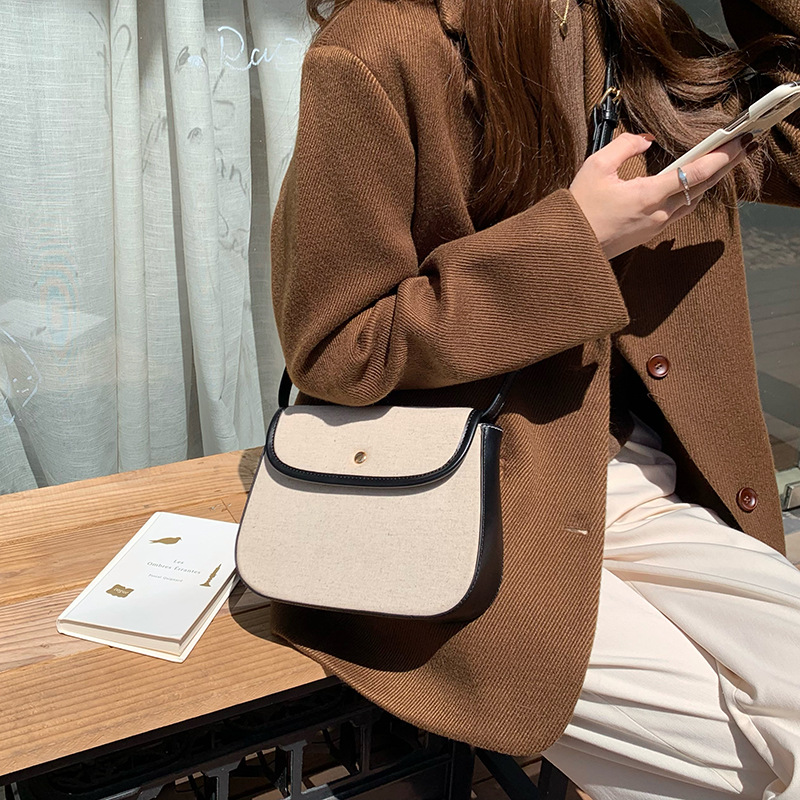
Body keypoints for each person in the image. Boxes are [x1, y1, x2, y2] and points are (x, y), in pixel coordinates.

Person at [266, 0, 800, 796]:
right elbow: (339, 345)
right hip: (464, 503)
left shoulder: (636, 25)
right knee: (757, 777)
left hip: (636, 484)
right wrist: (572, 242)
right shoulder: (383, 46)